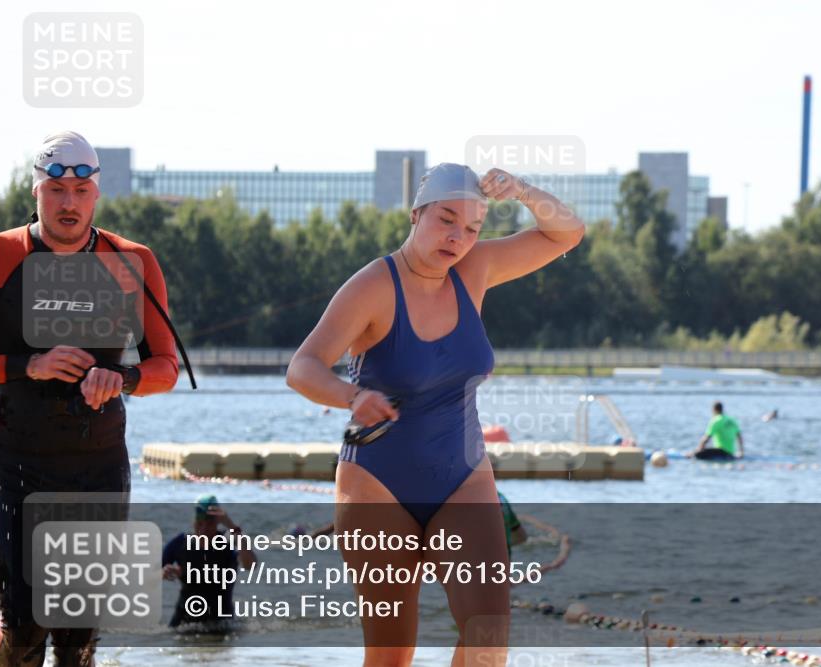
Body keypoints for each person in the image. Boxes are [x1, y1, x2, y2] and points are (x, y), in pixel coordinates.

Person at [287, 162, 584, 666]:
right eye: (446, 220)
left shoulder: (475, 269)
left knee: (488, 637)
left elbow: (567, 233)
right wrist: (351, 397)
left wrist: (523, 191)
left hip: (463, 477)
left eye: (472, 227)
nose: (457, 238)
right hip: (377, 483)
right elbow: (303, 367)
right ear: (415, 215)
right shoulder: (373, 286)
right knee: (391, 656)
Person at [0, 131, 180, 666]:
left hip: (97, 465)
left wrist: (122, 378)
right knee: (23, 626)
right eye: (56, 191)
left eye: (80, 190)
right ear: (36, 191)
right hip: (16, 462)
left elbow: (167, 368)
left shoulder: (132, 260)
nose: (68, 203)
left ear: (96, 193)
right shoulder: (0, 255)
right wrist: (28, 365)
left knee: (77, 639)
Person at [161, 495, 256, 629]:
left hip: (221, 623)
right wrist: (166, 572)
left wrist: (231, 525)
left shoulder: (228, 542)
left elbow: (250, 565)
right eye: (200, 523)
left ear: (218, 523)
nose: (204, 529)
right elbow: (152, 573)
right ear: (193, 521)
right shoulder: (180, 543)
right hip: (184, 622)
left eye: (210, 524)